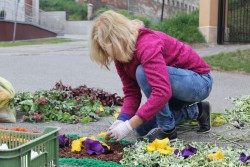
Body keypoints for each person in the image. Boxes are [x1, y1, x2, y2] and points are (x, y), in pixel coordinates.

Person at [89, 10, 213, 142]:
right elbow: (132, 93)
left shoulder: (147, 44)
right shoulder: (120, 56)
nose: (109, 55)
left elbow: (161, 92)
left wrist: (128, 125)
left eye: (106, 49)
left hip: (199, 82)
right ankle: (198, 110)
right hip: (171, 91)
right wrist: (122, 120)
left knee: (142, 73)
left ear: (116, 40)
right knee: (141, 128)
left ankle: (168, 130)